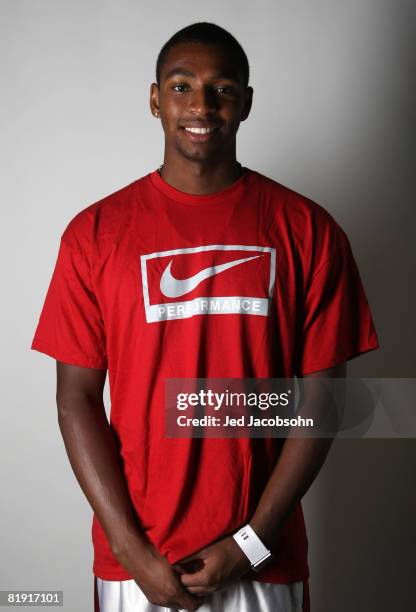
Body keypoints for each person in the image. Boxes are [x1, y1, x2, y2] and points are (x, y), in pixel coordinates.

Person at [31, 22, 379, 612]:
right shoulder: (94, 234)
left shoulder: (308, 231)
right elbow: (76, 401)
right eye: (182, 86)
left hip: (263, 559)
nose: (201, 105)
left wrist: (250, 544)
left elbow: (323, 399)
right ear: (154, 99)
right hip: (138, 563)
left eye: (222, 89)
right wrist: (132, 550)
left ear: (245, 102)